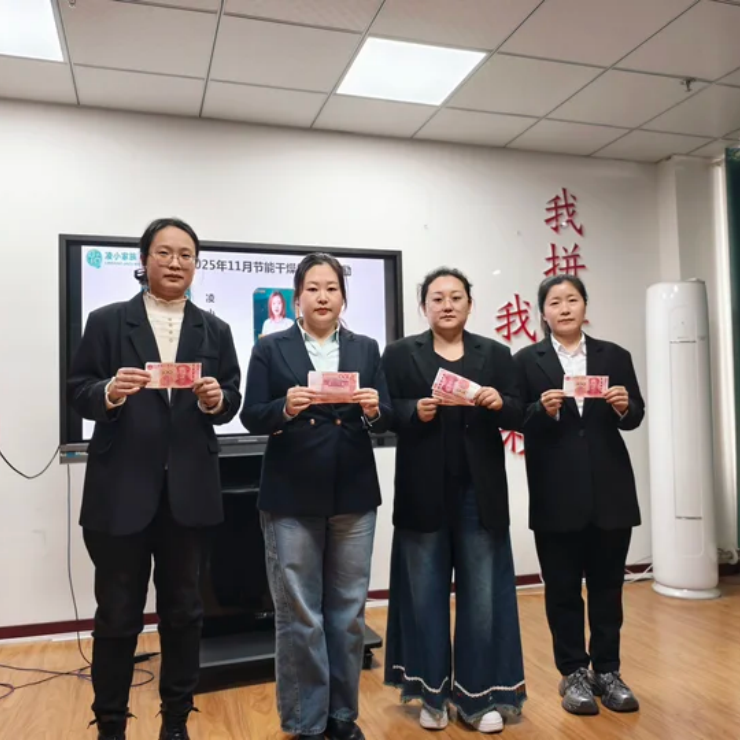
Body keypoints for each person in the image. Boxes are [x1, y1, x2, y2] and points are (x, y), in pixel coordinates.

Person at [67, 218, 242, 740]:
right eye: (164, 252)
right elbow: (78, 390)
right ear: (143, 261)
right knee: (117, 616)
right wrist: (109, 392)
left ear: (196, 265)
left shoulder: (215, 329)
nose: (175, 262)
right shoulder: (107, 321)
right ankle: (111, 726)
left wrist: (217, 400)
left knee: (184, 613)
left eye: (186, 254)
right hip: (120, 493)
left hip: (189, 495)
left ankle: (176, 723)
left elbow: (231, 396)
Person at [240, 253, 392, 740]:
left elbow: (386, 416)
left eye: (331, 288)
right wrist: (284, 407)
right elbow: (251, 414)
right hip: (291, 493)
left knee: (348, 614)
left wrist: (374, 409)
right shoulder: (270, 347)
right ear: (297, 297)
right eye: (313, 288)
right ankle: (306, 722)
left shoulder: (366, 347)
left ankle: (343, 717)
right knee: (301, 615)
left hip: (353, 491)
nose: (322, 296)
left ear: (343, 297)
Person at [382, 267, 526, 734]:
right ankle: (432, 695)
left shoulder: (495, 353)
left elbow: (521, 413)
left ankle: (478, 697)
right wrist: (413, 411)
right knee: (425, 597)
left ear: (469, 304)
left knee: (482, 598)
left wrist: (499, 403)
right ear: (424, 306)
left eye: (456, 297)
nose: (447, 305)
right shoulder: (400, 353)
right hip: (422, 491)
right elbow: (382, 412)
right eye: (437, 298)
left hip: (478, 494)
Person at [513, 275, 644, 717]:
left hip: (610, 488)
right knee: (563, 589)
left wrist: (624, 405)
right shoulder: (526, 361)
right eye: (555, 302)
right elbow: (513, 416)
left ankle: (608, 670)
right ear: (543, 312)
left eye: (572, 300)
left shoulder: (614, 356)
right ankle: (573, 672)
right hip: (555, 491)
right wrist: (540, 409)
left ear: (585, 306)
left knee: (609, 588)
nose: (565, 308)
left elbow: (635, 415)